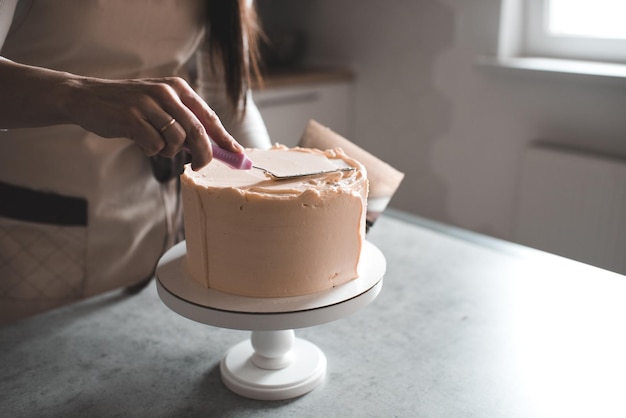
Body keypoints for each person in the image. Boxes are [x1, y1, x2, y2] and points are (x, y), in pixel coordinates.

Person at [0, 0, 272, 324]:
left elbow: (224, 101)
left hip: (157, 226)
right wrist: (75, 93)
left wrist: (272, 199)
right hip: (34, 230)